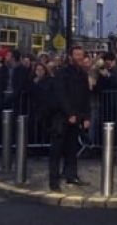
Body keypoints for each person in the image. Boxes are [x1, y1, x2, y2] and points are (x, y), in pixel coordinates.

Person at [48, 46, 92, 191]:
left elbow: (86, 97)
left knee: (72, 149)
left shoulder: (83, 74)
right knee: (57, 149)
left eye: (81, 54)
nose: (79, 57)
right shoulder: (62, 73)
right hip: (62, 117)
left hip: (77, 117)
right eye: (76, 54)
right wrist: (69, 114)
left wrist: (86, 116)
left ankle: (71, 175)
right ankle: (54, 180)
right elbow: (61, 95)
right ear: (71, 56)